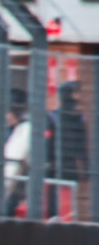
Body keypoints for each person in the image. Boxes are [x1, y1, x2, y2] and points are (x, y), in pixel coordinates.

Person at [47, 81, 90, 220]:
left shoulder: (78, 118)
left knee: (69, 204)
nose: (79, 96)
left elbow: (82, 146)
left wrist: (85, 169)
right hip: (57, 167)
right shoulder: (54, 117)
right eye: (76, 93)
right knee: (55, 203)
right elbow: (49, 143)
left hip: (67, 168)